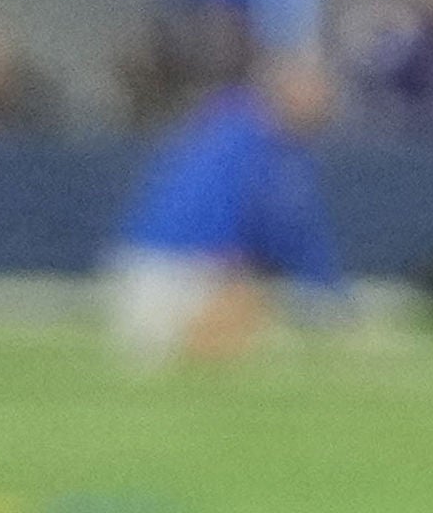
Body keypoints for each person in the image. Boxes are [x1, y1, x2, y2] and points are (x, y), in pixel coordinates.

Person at [111, 47, 350, 360]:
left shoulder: (230, 125)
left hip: (145, 268)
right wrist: (330, 294)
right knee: (249, 301)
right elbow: (281, 229)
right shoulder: (254, 143)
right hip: (178, 273)